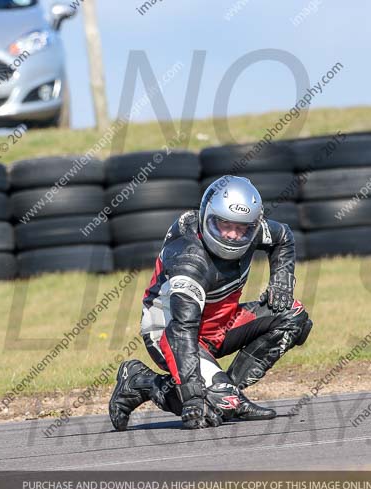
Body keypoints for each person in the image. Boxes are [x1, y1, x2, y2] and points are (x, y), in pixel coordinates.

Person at [109, 175, 313, 430]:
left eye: (242, 229)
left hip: (222, 322)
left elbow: (283, 236)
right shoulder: (189, 259)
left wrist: (282, 278)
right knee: (210, 409)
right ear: (207, 216)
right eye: (223, 225)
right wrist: (193, 397)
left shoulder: (255, 230)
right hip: (171, 332)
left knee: (293, 316)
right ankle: (140, 382)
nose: (231, 235)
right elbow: (182, 330)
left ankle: (228, 393)